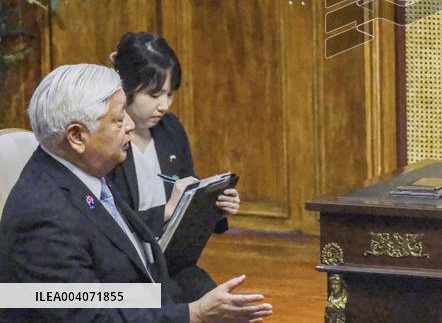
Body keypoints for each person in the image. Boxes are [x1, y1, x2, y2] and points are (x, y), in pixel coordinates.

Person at [0, 63, 271, 322]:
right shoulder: (42, 218)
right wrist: (194, 314)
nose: (130, 125)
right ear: (77, 136)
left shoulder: (83, 171)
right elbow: (88, 316)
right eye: (118, 120)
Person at [106, 32, 238, 301]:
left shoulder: (171, 129)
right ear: (126, 86)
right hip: (127, 271)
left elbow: (186, 196)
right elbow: (105, 221)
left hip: (170, 262)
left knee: (219, 304)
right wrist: (166, 211)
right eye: (154, 94)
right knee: (182, 307)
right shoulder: (106, 139)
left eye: (169, 94)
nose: (164, 105)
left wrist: (215, 204)